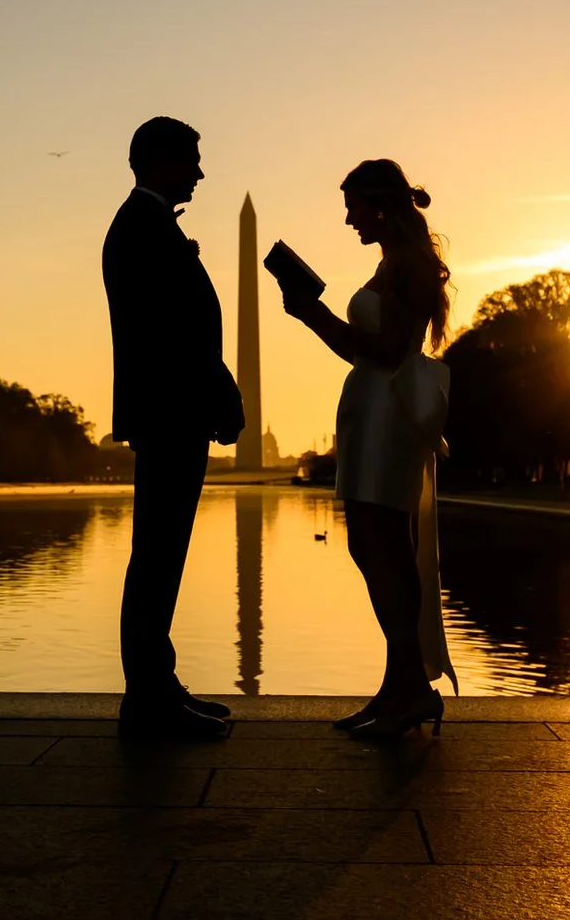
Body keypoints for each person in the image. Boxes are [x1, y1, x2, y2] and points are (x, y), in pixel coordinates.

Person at [277, 159, 457, 740]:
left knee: (382, 548)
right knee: (379, 548)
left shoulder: (411, 266)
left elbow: (382, 352)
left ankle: (409, 689)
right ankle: (400, 685)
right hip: (372, 414)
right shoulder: (395, 262)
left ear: (381, 206)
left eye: (354, 206)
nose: (348, 218)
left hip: (387, 417)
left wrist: (313, 315)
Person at [102, 116, 244, 740]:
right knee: (158, 553)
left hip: (171, 408)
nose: (201, 172)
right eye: (193, 158)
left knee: (162, 553)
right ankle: (150, 699)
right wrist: (221, 390)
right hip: (171, 410)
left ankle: (157, 685)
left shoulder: (148, 224)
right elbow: (172, 334)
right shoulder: (143, 227)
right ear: (160, 159)